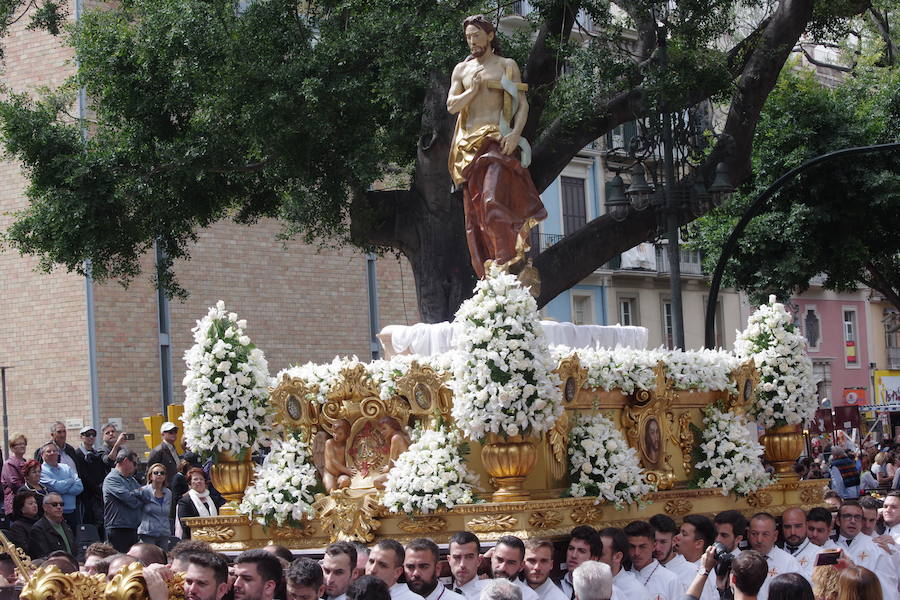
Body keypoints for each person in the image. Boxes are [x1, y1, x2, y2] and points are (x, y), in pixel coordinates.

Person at [446, 14, 546, 278]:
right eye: (468, 37)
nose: (472, 41)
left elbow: (522, 104)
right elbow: (451, 106)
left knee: (491, 200)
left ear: (490, 35)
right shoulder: (462, 70)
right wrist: (472, 90)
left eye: (476, 35)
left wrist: (515, 134)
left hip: (497, 141)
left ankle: (506, 259)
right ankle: (490, 270)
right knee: (476, 215)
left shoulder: (506, 65)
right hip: (468, 148)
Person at [832, 500, 896, 599]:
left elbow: (888, 588)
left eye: (857, 517)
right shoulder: (830, 546)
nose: (853, 521)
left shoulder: (877, 547)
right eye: (847, 516)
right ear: (838, 520)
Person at [746, 512, 802, 600]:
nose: (759, 540)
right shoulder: (742, 561)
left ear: (775, 535)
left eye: (765, 534)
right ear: (748, 534)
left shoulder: (789, 562)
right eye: (754, 534)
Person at [103, 450, 151, 552]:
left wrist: (134, 494)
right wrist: (137, 494)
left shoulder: (131, 479)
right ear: (125, 461)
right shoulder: (112, 479)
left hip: (133, 528)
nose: (136, 467)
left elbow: (147, 496)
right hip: (118, 528)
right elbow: (130, 500)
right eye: (134, 463)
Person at [624, 520, 681, 600]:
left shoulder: (670, 580)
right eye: (632, 547)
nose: (636, 553)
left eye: (642, 547)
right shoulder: (621, 577)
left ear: (654, 546)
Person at [38, 441, 83, 531]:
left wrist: (62, 488)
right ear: (42, 455)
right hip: (53, 514)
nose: (52, 453)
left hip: (72, 512)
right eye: (49, 451)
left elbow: (80, 487)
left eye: (55, 451)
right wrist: (71, 481)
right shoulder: (41, 471)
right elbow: (58, 488)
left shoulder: (66, 467)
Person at [597, 527, 649, 600]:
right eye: (593, 552)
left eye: (600, 554)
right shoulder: (586, 583)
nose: (594, 558)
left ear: (618, 557)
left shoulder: (636, 592)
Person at [75, 425, 108, 534]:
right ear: (81, 437)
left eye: (93, 435)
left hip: (99, 496)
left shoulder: (96, 454)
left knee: (101, 524)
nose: (91, 437)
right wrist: (95, 489)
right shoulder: (77, 454)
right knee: (90, 526)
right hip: (86, 497)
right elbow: (82, 475)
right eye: (87, 435)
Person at [176, 467, 224, 539]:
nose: (199, 481)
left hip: (215, 538)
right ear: (190, 483)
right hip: (192, 541)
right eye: (195, 479)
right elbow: (185, 526)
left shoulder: (214, 500)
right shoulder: (184, 501)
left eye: (201, 479)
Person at [558, 525, 602, 599]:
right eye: (571, 549)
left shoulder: (607, 592)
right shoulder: (555, 587)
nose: (574, 555)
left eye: (581, 551)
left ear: (594, 559)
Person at [28, 493, 76, 559]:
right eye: (54, 504)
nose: (59, 507)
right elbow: (43, 556)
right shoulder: (38, 529)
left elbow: (75, 550)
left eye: (61, 504)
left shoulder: (66, 526)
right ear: (45, 507)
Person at [490, 535, 539, 600]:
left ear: (521, 566)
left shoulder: (530, 597)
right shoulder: (477, 590)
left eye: (511, 563)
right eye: (499, 560)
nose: (502, 568)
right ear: (492, 557)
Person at [139, 462, 173, 550]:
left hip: (164, 533)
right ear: (150, 476)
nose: (159, 475)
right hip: (148, 533)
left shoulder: (168, 493)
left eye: (162, 473)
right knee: (148, 559)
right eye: (156, 473)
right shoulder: (143, 491)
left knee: (162, 559)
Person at [780, 508, 819, 578]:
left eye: (798, 526)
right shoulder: (775, 554)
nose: (793, 532)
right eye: (787, 527)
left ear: (807, 525)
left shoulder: (820, 554)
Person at [447, 531, 487, 599]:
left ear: (479, 561)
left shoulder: (491, 594)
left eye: (469, 557)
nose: (462, 564)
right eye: (457, 557)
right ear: (449, 560)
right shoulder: (439, 594)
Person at [147, 422, 181, 488]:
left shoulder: (173, 448)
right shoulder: (158, 451)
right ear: (163, 434)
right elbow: (149, 471)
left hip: (175, 487)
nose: (173, 434)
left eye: (175, 431)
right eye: (170, 432)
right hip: (163, 488)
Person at [2, 433, 28, 516]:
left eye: (24, 443)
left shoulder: (25, 462)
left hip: (26, 503)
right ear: (12, 448)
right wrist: (32, 489)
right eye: (19, 444)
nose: (22, 446)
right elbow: (15, 484)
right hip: (15, 505)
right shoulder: (9, 464)